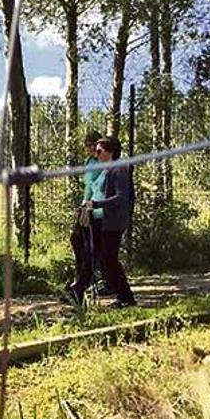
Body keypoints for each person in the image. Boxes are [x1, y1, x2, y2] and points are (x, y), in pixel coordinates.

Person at [65, 137, 136, 308]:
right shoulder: (105, 170)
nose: (96, 155)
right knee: (93, 255)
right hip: (97, 219)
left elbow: (120, 198)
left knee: (108, 259)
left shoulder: (119, 170)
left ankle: (126, 297)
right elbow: (95, 191)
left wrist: (96, 204)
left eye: (99, 151)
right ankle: (79, 290)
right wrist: (86, 206)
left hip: (111, 222)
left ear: (110, 152)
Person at [69, 131, 106, 296]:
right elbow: (88, 186)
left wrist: (90, 204)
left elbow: (98, 188)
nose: (89, 149)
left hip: (97, 209)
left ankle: (83, 283)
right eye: (87, 146)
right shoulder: (90, 161)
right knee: (77, 240)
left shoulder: (104, 162)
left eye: (92, 145)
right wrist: (83, 204)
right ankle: (80, 278)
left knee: (93, 247)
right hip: (87, 205)